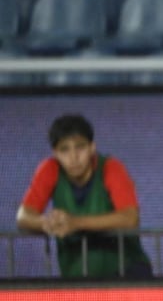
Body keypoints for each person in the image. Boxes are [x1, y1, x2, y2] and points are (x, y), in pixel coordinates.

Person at [16, 114, 153, 279]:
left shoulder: (112, 168)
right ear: (55, 154)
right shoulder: (49, 169)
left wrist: (75, 223)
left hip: (128, 272)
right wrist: (49, 223)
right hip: (77, 277)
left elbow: (130, 218)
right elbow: (23, 217)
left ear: (92, 147)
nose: (73, 157)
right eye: (64, 150)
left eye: (80, 147)